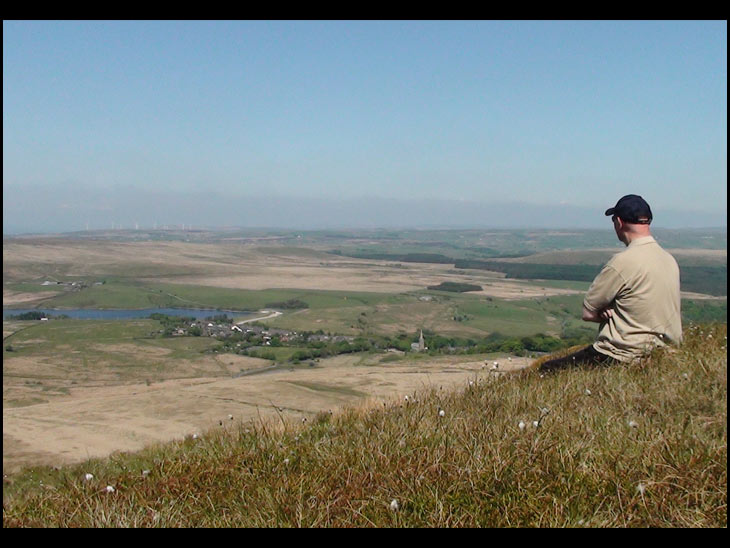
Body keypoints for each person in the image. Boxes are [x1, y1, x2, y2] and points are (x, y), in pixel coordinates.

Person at [538, 194, 682, 373]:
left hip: (622, 354)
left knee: (547, 369)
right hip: (665, 352)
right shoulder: (669, 260)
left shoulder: (622, 262)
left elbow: (588, 313)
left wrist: (607, 312)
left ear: (619, 222)